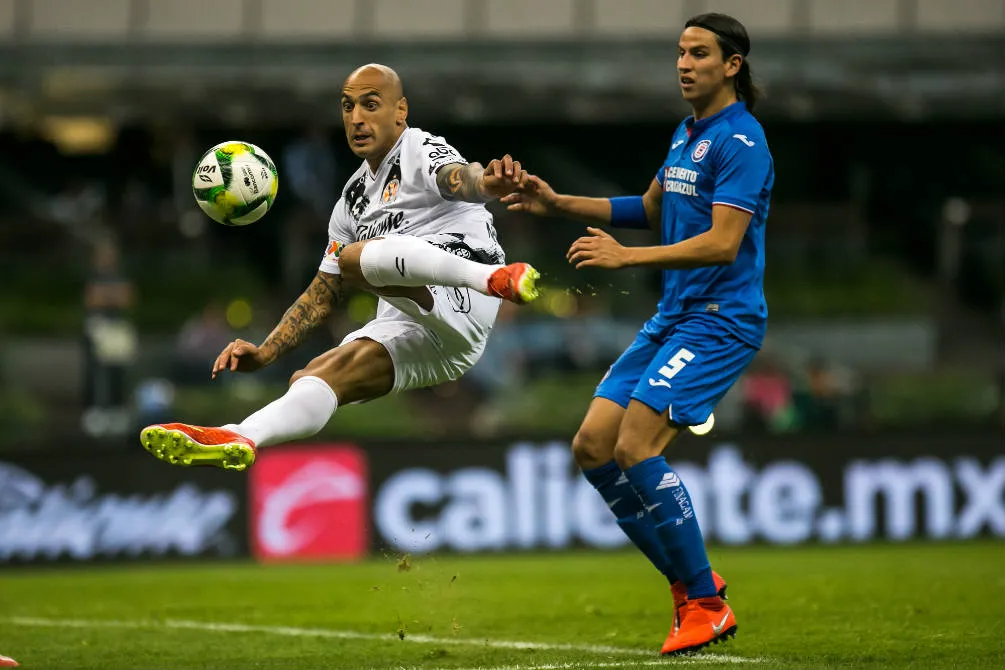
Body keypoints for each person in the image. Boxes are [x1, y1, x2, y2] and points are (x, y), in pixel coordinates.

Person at [502, 13, 773, 655]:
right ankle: (692, 587)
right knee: (593, 446)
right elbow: (651, 210)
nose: (684, 64)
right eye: (679, 52)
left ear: (732, 65)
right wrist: (557, 202)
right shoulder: (686, 133)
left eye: (699, 54)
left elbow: (723, 243)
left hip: (719, 322)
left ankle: (706, 602)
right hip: (673, 318)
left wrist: (627, 258)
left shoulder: (743, 142)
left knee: (635, 447)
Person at [140, 63, 539, 469]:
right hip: (438, 340)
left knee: (354, 258)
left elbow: (460, 177)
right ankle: (241, 434)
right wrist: (264, 353)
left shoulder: (419, 149)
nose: (357, 119)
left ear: (400, 111)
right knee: (316, 377)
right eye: (348, 107)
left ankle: (495, 278)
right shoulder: (350, 202)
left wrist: (487, 184)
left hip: (468, 289)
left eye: (370, 105)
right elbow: (321, 295)